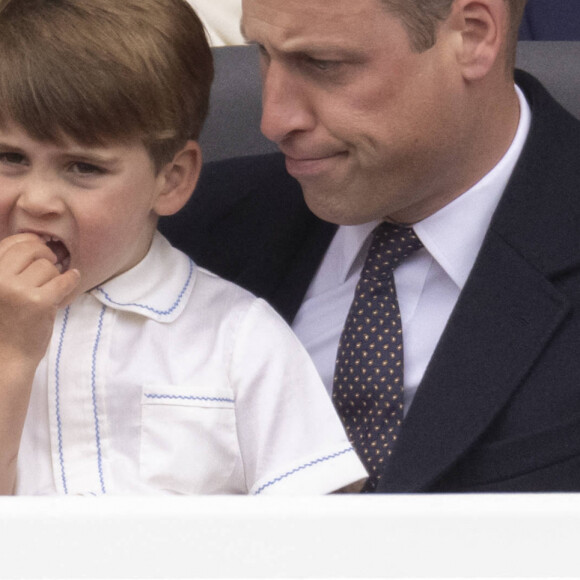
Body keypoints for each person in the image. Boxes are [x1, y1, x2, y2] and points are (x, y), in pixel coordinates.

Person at [160, 0, 580, 492]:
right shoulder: (180, 234)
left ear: (473, 34)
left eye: (324, 65)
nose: (274, 120)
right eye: (264, 53)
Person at [0, 0, 367, 496]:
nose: (37, 200)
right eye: (10, 157)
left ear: (170, 180)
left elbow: (326, 535)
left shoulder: (238, 336)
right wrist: (11, 356)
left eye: (83, 168)